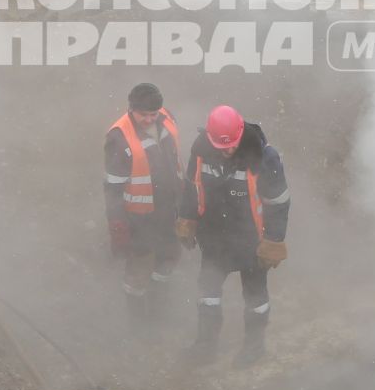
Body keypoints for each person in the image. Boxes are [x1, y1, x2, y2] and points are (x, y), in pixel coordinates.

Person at [178, 105, 292, 366]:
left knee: (255, 296)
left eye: (231, 146)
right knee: (208, 292)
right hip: (214, 238)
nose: (227, 151)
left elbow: (279, 202)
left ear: (241, 135)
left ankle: (254, 345)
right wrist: (187, 218)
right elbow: (191, 187)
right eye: (221, 147)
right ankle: (205, 345)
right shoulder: (200, 150)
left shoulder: (265, 157)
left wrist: (274, 240)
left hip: (252, 242)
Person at [103, 83, 183, 332]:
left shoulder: (166, 117)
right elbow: (113, 188)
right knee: (138, 270)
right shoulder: (118, 138)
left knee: (168, 258)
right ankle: (138, 324)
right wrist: (118, 226)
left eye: (153, 114)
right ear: (131, 109)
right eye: (144, 114)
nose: (150, 119)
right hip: (139, 219)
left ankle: (159, 312)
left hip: (170, 210)